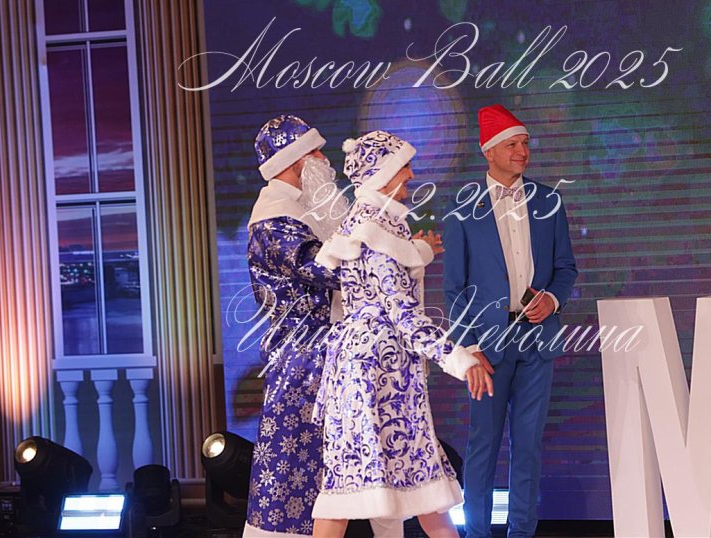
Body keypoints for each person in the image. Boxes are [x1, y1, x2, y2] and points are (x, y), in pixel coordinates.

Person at [311, 130, 493, 538]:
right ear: (382, 174)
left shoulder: (370, 224)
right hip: (377, 374)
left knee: (399, 481)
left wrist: (418, 252)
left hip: (369, 370)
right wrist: (458, 359)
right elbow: (403, 316)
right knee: (363, 485)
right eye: (403, 167)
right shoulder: (374, 230)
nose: (411, 174)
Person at [242, 115, 402, 538]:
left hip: (332, 353)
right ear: (294, 160)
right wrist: (390, 254)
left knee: (366, 457)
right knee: (293, 469)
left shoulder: (305, 211)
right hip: (303, 360)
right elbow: (323, 267)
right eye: (314, 152)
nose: (324, 160)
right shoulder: (275, 219)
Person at [442, 104, 578, 538]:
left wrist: (552, 299)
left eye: (525, 143)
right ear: (489, 151)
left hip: (537, 339)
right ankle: (477, 533)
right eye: (512, 145)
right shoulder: (462, 208)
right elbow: (454, 287)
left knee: (529, 445)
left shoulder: (549, 200)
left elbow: (566, 268)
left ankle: (521, 532)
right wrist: (469, 348)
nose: (522, 152)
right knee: (483, 444)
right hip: (486, 345)